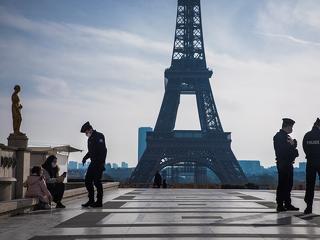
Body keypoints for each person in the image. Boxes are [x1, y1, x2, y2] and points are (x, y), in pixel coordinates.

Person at [273, 118, 299, 212]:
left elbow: (294, 152)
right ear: (287, 126)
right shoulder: (280, 137)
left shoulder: (285, 137)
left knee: (288, 184)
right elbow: (285, 151)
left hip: (286, 163)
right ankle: (280, 204)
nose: (292, 129)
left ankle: (287, 203)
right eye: (291, 126)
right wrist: (293, 146)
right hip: (284, 163)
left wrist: (293, 147)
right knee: (283, 184)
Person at [81, 121, 107, 208]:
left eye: (86, 132)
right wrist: (85, 158)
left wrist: (101, 163)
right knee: (87, 180)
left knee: (97, 182)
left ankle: (99, 201)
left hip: (99, 163)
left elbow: (103, 151)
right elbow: (91, 152)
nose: (86, 134)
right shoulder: (90, 139)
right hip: (93, 163)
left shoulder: (99, 136)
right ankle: (91, 200)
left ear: (90, 129)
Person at [303, 118, 320, 214]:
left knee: (310, 185)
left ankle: (309, 206)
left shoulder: (307, 135)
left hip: (310, 162)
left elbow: (304, 147)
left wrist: (310, 156)